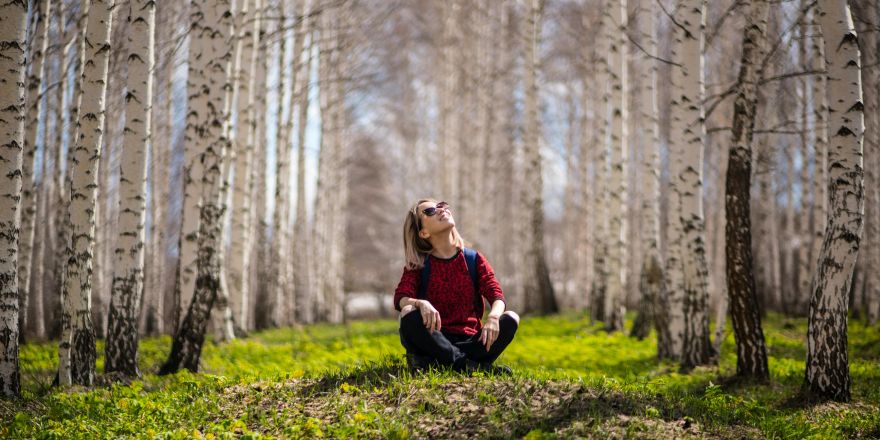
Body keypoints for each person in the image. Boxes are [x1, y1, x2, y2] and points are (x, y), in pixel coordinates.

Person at [394, 198, 519, 374]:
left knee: (511, 317)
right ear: (423, 233)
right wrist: (420, 303)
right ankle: (470, 366)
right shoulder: (418, 264)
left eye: (441, 206)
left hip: (471, 342)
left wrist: (493, 317)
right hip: (434, 340)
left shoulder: (473, 260)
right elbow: (400, 298)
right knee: (408, 312)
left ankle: (446, 363)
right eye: (430, 211)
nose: (440, 210)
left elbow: (497, 296)